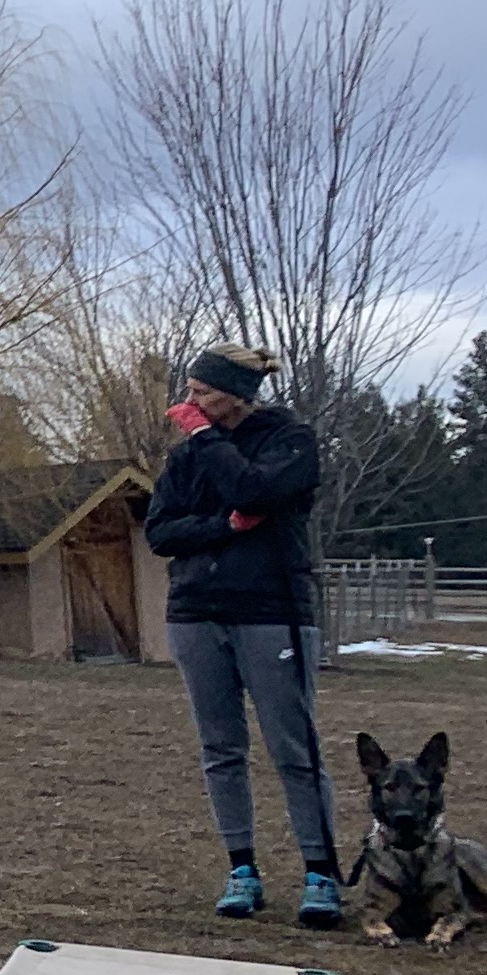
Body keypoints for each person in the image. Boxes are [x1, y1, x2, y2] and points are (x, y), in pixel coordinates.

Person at [143, 342, 340, 927]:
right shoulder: (185, 459)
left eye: (202, 393)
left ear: (237, 395)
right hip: (197, 614)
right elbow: (161, 531)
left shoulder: (291, 442)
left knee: (293, 747)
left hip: (271, 611)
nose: (191, 404)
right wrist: (223, 527)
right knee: (220, 748)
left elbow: (253, 490)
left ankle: (320, 874)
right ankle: (242, 870)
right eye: (191, 392)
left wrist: (207, 440)